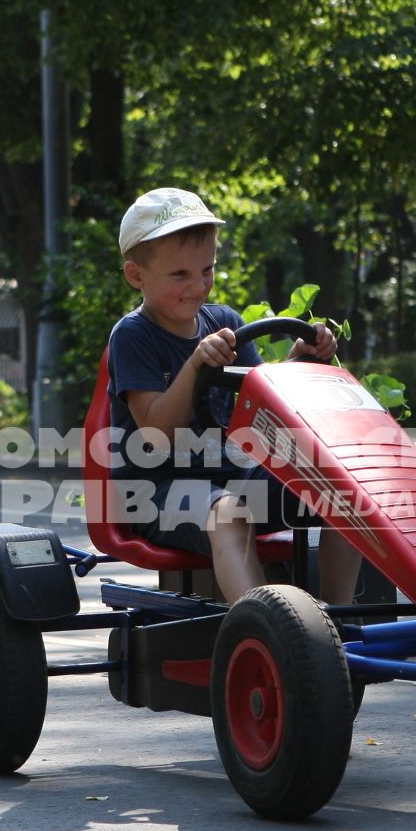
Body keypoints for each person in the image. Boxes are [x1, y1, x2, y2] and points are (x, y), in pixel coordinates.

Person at [106, 187, 362, 604]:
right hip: (155, 490)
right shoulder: (133, 336)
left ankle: (339, 624)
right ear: (137, 276)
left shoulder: (225, 322)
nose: (198, 286)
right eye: (180, 275)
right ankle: (266, 628)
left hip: (231, 476)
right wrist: (194, 366)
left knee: (342, 490)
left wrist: (302, 359)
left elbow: (262, 407)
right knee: (227, 512)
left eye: (206, 270)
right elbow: (154, 434)